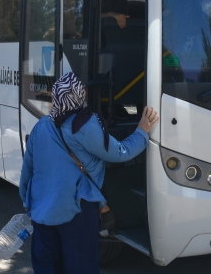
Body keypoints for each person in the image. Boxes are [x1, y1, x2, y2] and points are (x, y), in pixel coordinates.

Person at [19, 72, 159, 274]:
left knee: (46, 266)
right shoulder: (84, 126)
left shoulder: (41, 126)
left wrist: (28, 202)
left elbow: (28, 170)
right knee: (80, 266)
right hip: (76, 211)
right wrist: (142, 131)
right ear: (79, 95)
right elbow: (120, 152)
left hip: (41, 212)